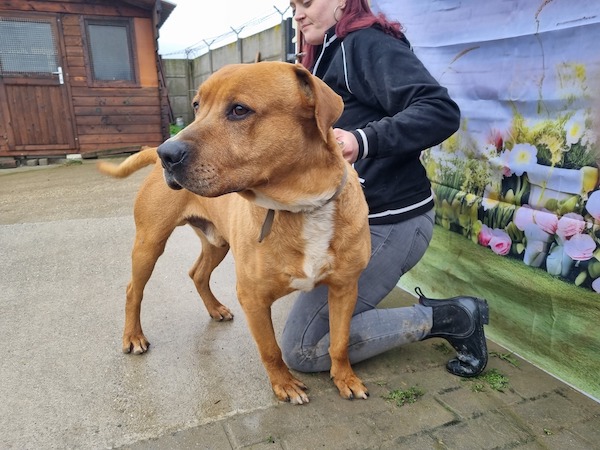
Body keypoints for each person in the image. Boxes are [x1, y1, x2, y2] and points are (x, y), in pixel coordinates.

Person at [281, 0, 489, 379]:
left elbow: (440, 109)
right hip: (351, 221)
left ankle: (454, 316)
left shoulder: (363, 43)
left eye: (306, 1)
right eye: (292, 4)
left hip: (391, 222)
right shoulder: (324, 54)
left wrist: (362, 140)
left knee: (303, 348)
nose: (297, 12)